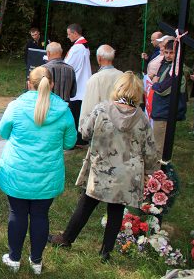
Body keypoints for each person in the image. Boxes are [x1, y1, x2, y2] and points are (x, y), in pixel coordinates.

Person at [49, 72, 158, 262]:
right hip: (126, 174)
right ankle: (105, 252)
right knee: (115, 211)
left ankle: (66, 238)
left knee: (86, 204)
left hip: (101, 168)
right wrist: (149, 170)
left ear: (118, 89)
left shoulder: (102, 109)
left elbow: (85, 132)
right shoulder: (141, 118)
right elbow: (149, 149)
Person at [0, 66, 76, 274]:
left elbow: (3, 131)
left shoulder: (16, 106)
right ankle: (36, 261)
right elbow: (70, 142)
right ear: (52, 85)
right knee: (41, 215)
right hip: (47, 174)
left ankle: (14, 259)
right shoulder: (63, 110)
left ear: (28, 84)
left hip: (17, 172)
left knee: (17, 213)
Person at [151, 40, 188, 159]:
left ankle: (158, 172)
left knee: (159, 146)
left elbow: (163, 89)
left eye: (171, 53)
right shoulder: (166, 64)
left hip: (165, 111)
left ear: (177, 54)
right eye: (166, 52)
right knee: (159, 143)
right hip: (161, 109)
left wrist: (155, 83)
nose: (168, 55)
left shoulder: (176, 70)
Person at [79, 45, 123, 126]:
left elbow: (88, 107)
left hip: (100, 128)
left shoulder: (95, 79)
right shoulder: (123, 76)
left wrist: (83, 127)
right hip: (121, 124)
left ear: (99, 58)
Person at [64, 23, 92, 146]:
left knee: (75, 114)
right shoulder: (84, 46)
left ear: (75, 33)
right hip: (82, 84)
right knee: (80, 113)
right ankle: (81, 139)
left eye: (69, 34)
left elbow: (68, 65)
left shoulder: (77, 48)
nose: (68, 36)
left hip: (77, 86)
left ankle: (77, 140)